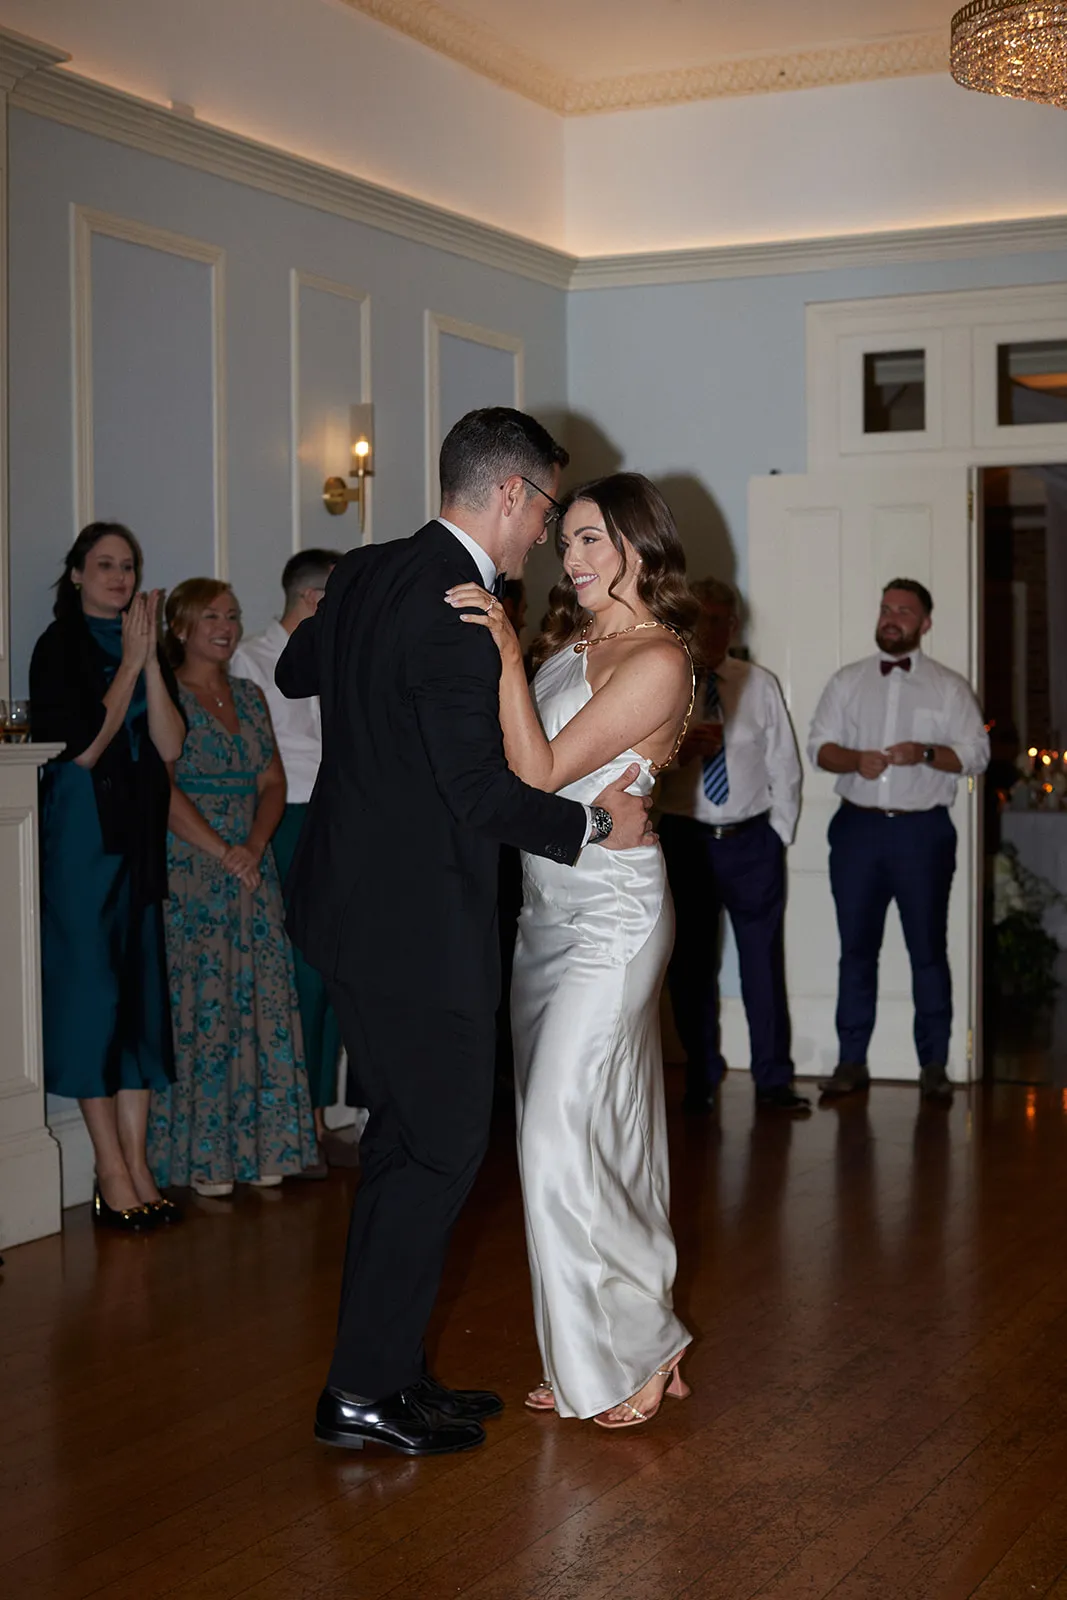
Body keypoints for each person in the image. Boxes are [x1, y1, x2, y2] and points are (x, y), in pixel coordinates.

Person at [276, 407, 653, 1458]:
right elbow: (478, 796)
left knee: (407, 1143)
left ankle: (384, 1376)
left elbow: (297, 673)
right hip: (409, 923)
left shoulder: (363, 571)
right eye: (541, 511)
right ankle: (361, 1387)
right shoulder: (454, 605)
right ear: (509, 496)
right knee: (439, 1148)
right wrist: (592, 824)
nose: (541, 536)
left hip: (345, 907)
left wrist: (352, 639)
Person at [447, 471, 698, 1429]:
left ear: (639, 546)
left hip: (612, 917)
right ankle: (631, 1337)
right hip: (544, 910)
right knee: (611, 1134)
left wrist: (508, 650)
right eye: (569, 541)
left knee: (554, 1134)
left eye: (592, 539)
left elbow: (541, 770)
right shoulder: (576, 644)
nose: (573, 557)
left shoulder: (657, 658)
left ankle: (617, 1353)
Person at [30, 521, 186, 1231]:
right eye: (104, 566)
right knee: (95, 1003)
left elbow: (169, 745)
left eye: (128, 566)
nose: (118, 577)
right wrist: (125, 665)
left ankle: (138, 1164)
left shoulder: (144, 644)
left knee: (140, 1003)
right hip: (82, 844)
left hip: (137, 842)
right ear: (75, 575)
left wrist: (149, 659)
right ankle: (110, 1169)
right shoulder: (57, 648)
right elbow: (83, 752)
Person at [147, 579, 317, 1195]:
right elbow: (160, 790)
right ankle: (205, 1157)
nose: (226, 625)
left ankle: (267, 1145)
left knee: (264, 993)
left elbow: (272, 781)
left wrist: (251, 847)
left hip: (252, 856)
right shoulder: (166, 690)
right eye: (211, 616)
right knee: (204, 997)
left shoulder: (247, 692)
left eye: (233, 615)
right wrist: (223, 851)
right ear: (182, 627)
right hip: (194, 862)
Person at [808, 579, 990, 1104]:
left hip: (922, 834)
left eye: (904, 611)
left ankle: (933, 1063)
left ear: (925, 624)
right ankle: (851, 1061)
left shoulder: (949, 687)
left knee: (928, 949)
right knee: (856, 950)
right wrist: (853, 759)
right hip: (858, 829)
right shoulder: (848, 681)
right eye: (886, 608)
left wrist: (928, 753)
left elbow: (976, 755)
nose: (892, 617)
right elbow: (820, 747)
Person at [657, 578, 806, 1114]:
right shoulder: (664, 682)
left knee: (762, 964)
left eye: (720, 620)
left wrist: (778, 835)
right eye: (699, 620)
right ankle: (701, 1077)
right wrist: (679, 754)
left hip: (751, 842)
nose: (709, 631)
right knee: (691, 967)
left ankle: (773, 1079)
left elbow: (785, 766)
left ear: (734, 626)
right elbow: (638, 768)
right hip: (685, 839)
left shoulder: (758, 684)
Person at [231, 549, 343, 1163]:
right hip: (287, 818)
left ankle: (321, 1117)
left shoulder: (336, 657)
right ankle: (292, 1121)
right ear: (313, 599)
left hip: (337, 819)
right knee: (296, 969)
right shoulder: (252, 660)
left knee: (328, 968)